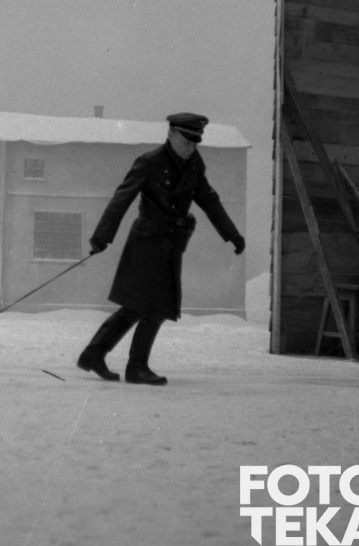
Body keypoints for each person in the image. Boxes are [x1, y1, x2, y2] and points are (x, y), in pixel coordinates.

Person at [77, 112, 245, 385]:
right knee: (153, 305)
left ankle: (95, 354)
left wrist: (232, 234)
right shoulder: (149, 162)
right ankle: (135, 366)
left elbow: (209, 200)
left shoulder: (193, 165)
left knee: (141, 305)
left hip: (172, 243)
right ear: (171, 134)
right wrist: (102, 237)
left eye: (195, 142)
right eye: (187, 141)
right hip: (148, 240)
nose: (191, 147)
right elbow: (122, 198)